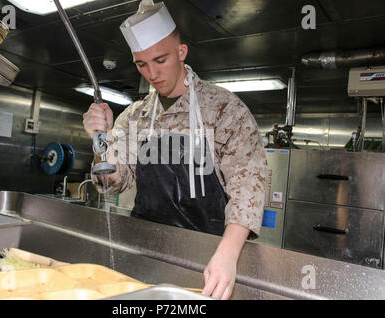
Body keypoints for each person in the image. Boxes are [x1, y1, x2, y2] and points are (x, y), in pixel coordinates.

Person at [83, 0, 267, 300]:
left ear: (181, 53)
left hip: (210, 256)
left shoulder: (223, 108)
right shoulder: (134, 116)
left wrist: (228, 254)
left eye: (160, 60)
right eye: (141, 64)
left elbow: (248, 186)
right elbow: (112, 181)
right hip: (144, 251)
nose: (152, 73)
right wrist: (99, 141)